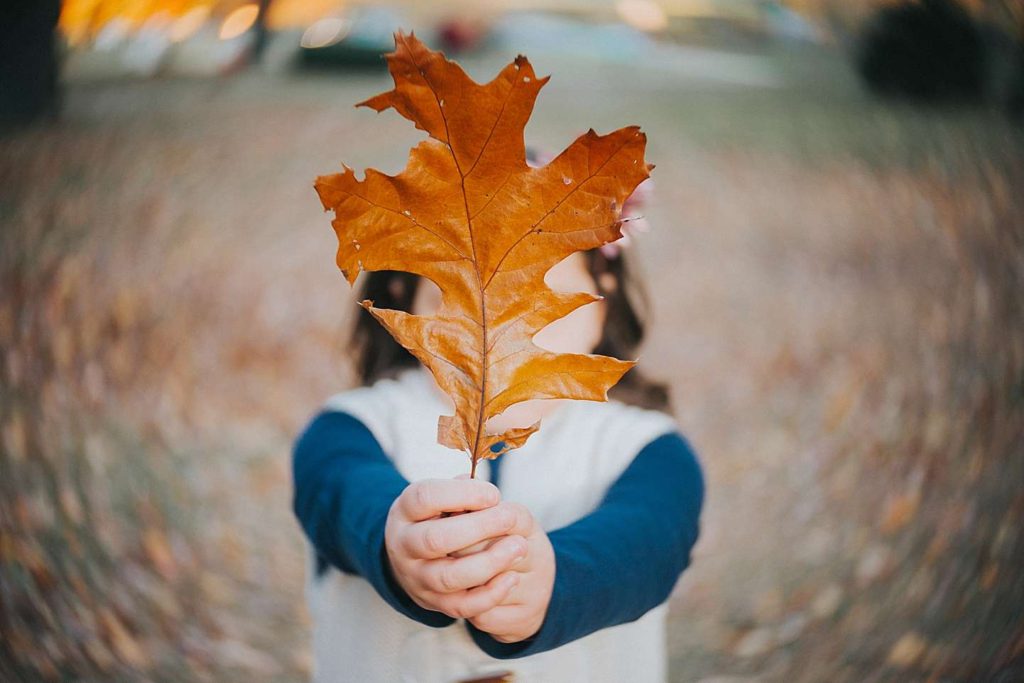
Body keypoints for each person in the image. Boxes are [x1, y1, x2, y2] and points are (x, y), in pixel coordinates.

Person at [292, 172, 704, 682]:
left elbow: (650, 541)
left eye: (538, 280)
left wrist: (555, 580)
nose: (500, 319)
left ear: (604, 290)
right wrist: (397, 544)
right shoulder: (349, 430)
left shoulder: (649, 450)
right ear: (406, 288)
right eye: (464, 281)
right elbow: (341, 494)